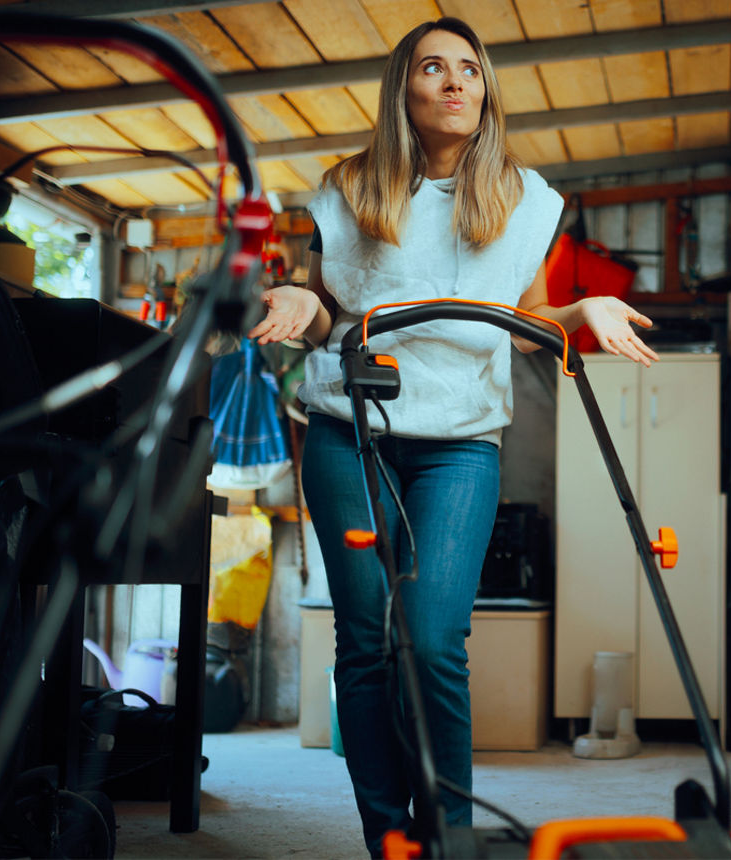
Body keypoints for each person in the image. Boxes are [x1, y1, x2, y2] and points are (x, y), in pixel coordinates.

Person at [247, 17, 658, 857]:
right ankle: (387, 836)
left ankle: (451, 839)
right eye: (433, 67)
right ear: (405, 87)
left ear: (485, 88)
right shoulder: (348, 187)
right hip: (347, 429)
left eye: (468, 69)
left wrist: (582, 311)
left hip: (459, 443)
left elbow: (524, 319)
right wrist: (299, 300)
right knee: (365, 640)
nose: (454, 82)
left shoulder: (520, 197)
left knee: (432, 638)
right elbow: (329, 308)